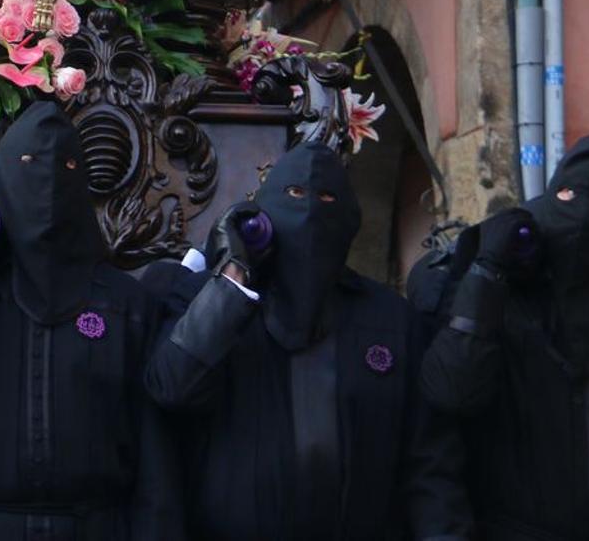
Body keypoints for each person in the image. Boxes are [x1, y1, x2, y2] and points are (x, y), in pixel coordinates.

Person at [147, 142, 469, 540]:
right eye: (294, 196)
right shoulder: (205, 299)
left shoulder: (390, 320)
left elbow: (428, 461)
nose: (311, 214)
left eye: (329, 199)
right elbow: (172, 387)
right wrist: (233, 279)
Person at [0, 102, 181, 539]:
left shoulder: (126, 303)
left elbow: (155, 459)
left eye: (64, 165)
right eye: (28, 164)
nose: (46, 184)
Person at [419, 132, 589, 540]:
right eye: (567, 196)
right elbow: (448, 399)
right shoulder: (499, 305)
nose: (585, 216)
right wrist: (486, 274)